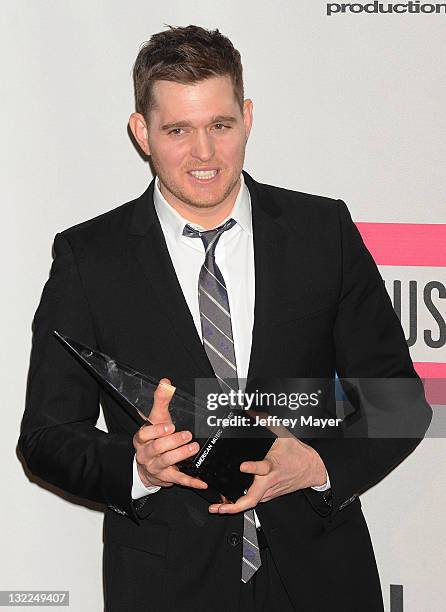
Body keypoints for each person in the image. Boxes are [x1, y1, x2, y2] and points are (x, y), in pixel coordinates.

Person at [19, 24, 432, 611]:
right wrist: (137, 466)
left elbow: (400, 401)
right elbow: (45, 437)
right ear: (142, 132)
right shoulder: (90, 260)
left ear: (248, 117)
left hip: (322, 577)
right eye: (178, 130)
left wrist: (316, 463)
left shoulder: (322, 233)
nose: (204, 153)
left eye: (220, 125)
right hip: (168, 585)